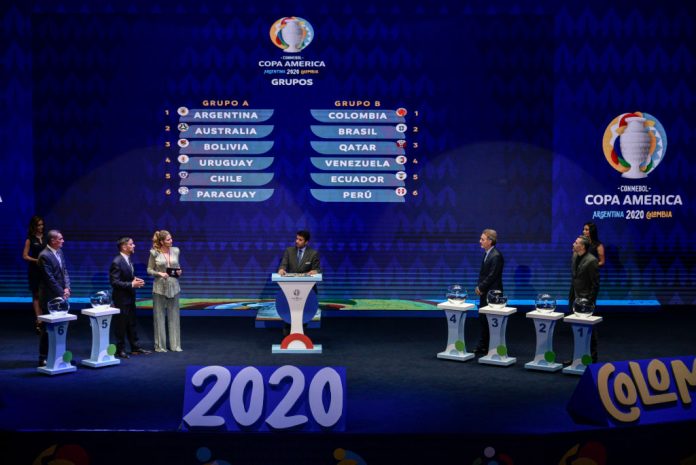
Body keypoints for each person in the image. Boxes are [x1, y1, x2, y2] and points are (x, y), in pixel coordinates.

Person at [110, 237, 149, 358]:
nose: (134, 246)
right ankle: (120, 350)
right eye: (131, 244)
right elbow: (114, 282)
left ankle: (135, 347)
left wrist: (135, 280)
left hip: (130, 297)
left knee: (131, 323)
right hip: (121, 298)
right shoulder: (117, 261)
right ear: (124, 247)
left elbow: (126, 277)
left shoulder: (128, 259)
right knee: (121, 324)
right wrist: (132, 284)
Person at [36, 230, 71, 367]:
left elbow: (64, 271)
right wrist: (62, 292)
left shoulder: (60, 252)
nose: (63, 241)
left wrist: (67, 288)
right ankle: (43, 357)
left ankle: (59, 356)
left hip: (61, 295)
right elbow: (49, 278)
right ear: (52, 241)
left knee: (61, 326)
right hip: (49, 297)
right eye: (60, 239)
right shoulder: (44, 256)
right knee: (48, 328)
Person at [147, 230, 182, 352]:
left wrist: (179, 271)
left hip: (174, 286)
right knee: (159, 317)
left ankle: (175, 345)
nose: (171, 241)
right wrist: (159, 273)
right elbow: (149, 269)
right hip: (159, 288)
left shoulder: (176, 250)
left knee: (174, 316)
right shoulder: (154, 252)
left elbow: (177, 266)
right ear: (161, 241)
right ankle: (160, 346)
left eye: (171, 238)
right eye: (168, 239)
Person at [569, 235, 600, 362]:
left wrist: (589, 302)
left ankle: (592, 357)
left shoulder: (592, 261)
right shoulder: (574, 256)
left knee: (589, 331)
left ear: (582, 246)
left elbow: (595, 284)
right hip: (574, 298)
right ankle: (577, 357)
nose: (573, 244)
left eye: (576, 242)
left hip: (586, 301)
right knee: (576, 330)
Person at [473, 229, 504, 356]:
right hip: (485, 293)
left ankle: (491, 346)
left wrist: (480, 287)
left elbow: (492, 276)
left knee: (490, 321)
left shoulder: (496, 256)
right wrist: (480, 288)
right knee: (483, 320)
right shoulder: (487, 254)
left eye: (482, 239)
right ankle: (484, 346)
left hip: (492, 294)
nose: (480, 241)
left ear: (490, 241)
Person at [22, 216, 46, 334]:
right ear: (34, 226)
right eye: (38, 225)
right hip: (35, 270)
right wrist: (36, 260)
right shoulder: (30, 239)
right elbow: (25, 256)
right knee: (36, 295)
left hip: (46, 270)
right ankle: (39, 320)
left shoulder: (46, 238)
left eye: (42, 224)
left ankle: (46, 318)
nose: (41, 227)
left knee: (44, 294)